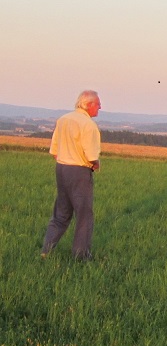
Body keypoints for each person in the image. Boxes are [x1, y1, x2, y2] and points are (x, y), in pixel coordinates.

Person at [41, 90, 102, 261]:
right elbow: (91, 156)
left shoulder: (63, 120)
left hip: (61, 168)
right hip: (79, 172)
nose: (100, 107)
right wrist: (96, 165)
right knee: (84, 215)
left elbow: (54, 151)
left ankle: (46, 250)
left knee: (61, 213)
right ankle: (80, 255)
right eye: (97, 104)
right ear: (88, 105)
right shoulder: (88, 125)